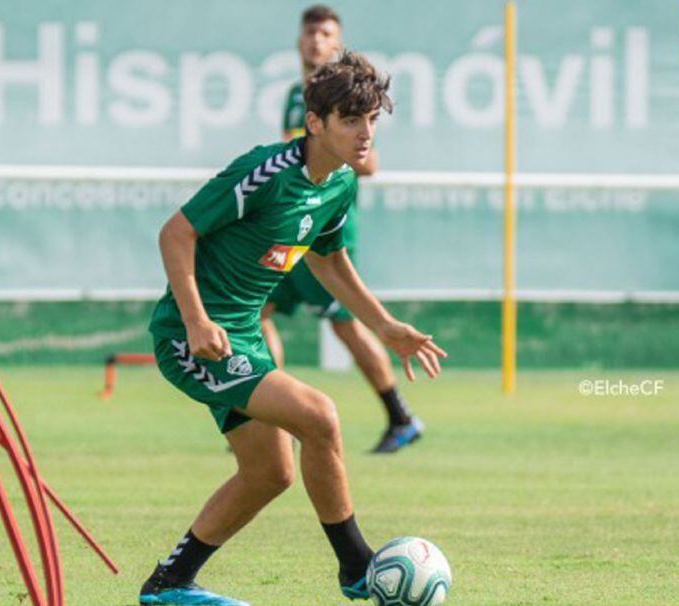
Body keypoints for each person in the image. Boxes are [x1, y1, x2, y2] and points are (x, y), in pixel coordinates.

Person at [139, 51, 446, 606]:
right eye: (352, 120)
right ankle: (356, 567)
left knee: (270, 473)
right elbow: (175, 233)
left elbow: (328, 260)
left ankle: (169, 584)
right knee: (320, 416)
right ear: (315, 122)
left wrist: (384, 326)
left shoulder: (341, 184)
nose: (365, 133)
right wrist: (196, 320)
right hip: (190, 339)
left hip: (242, 340)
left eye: (373, 120)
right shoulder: (264, 174)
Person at [264, 4, 425, 454]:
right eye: (310, 32)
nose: (316, 40)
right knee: (259, 313)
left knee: (347, 326)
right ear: (300, 40)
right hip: (291, 223)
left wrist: (328, 148)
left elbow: (367, 163)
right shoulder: (297, 95)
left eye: (326, 33)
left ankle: (400, 415)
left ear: (338, 42)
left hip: (325, 227)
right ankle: (271, 416)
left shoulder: (346, 94)